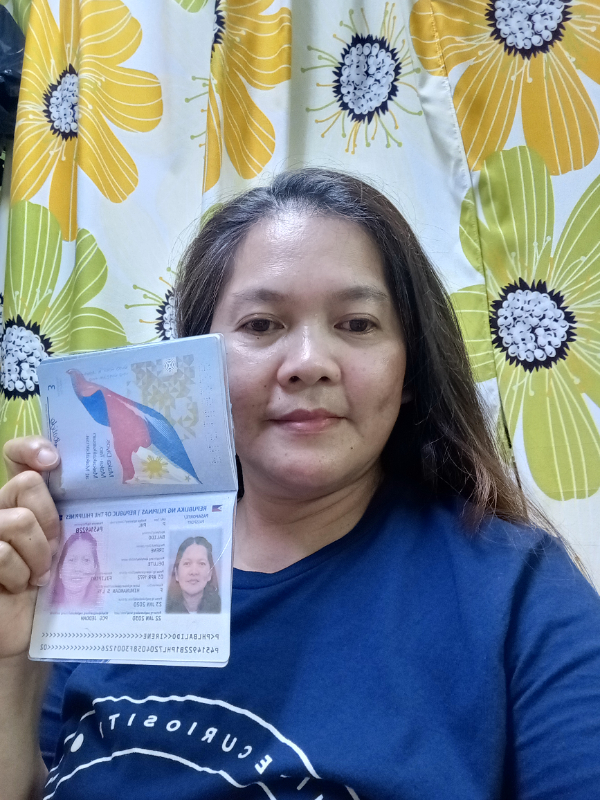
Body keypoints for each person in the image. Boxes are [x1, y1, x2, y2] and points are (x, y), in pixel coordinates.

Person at [1, 169, 600, 799]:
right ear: (196, 365)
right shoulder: (100, 562)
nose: (309, 363)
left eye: (357, 324)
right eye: (262, 325)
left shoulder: (518, 591)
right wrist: (11, 658)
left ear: (409, 368)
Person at [165, 536, 221, 614]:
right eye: (187, 563)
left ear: (210, 573)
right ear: (176, 573)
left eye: (201, 563)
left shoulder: (222, 609)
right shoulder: (164, 609)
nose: (194, 572)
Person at [51, 530, 100, 610]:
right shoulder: (46, 606)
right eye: (72, 560)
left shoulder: (103, 606)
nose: (77, 569)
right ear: (60, 569)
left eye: (86, 560)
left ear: (94, 568)